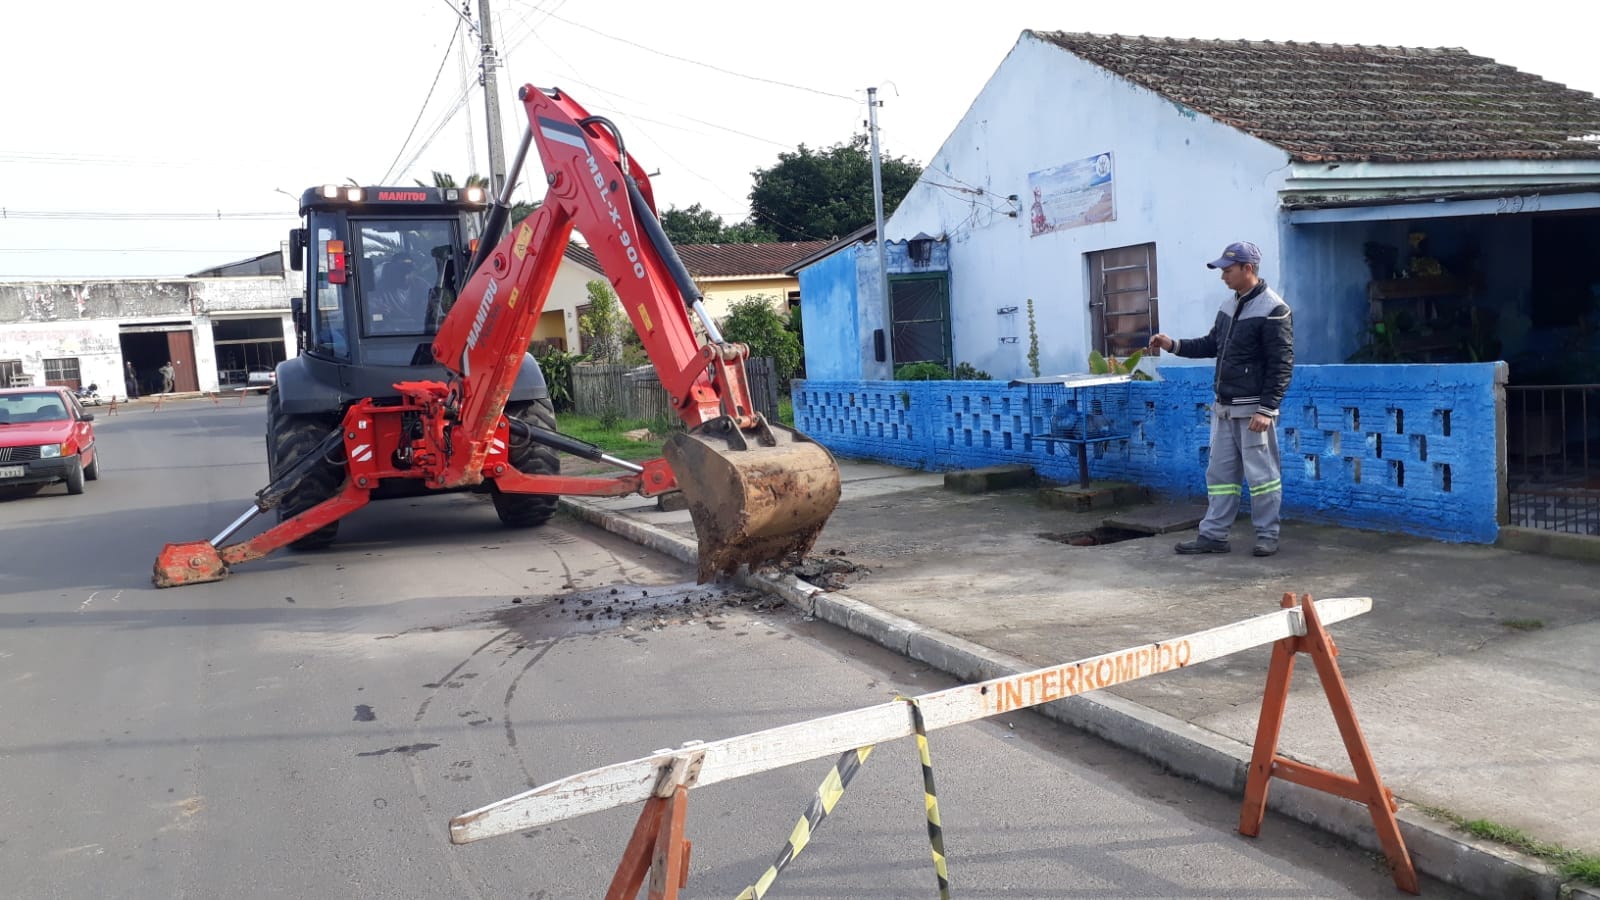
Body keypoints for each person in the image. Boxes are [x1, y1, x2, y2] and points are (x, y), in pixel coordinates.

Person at [1148, 241, 1294, 557]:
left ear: (1248, 269)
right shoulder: (1229, 306)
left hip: (1254, 411)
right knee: (1220, 477)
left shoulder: (1274, 309)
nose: (1223, 276)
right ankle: (1214, 536)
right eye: (1222, 271)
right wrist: (1172, 344)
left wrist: (1267, 409)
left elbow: (1282, 364)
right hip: (1224, 409)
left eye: (1228, 270)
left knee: (1263, 478)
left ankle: (1268, 535)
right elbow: (1212, 344)